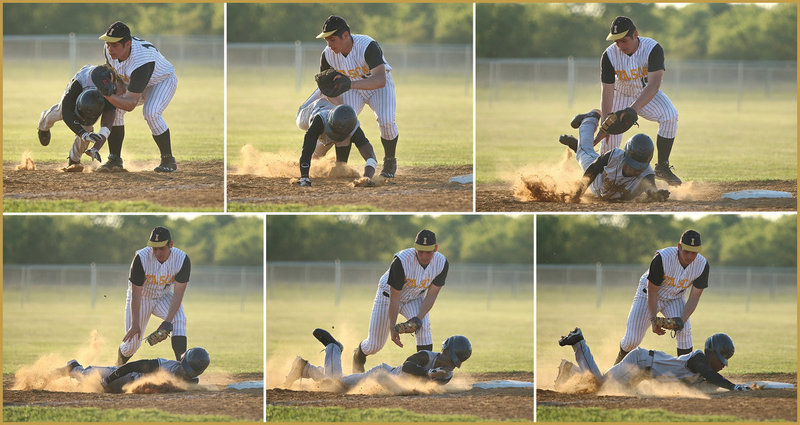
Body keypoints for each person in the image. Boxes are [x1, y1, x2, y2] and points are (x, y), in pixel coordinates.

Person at [598, 16, 682, 186]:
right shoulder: (609, 55)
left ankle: (662, 167)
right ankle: (600, 178)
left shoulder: (652, 49)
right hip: (620, 94)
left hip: (645, 93)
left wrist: (632, 110)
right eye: (616, 41)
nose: (620, 45)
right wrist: (605, 122)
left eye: (623, 40)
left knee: (670, 116)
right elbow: (607, 93)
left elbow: (653, 86)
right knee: (610, 144)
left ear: (635, 34)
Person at [352, 229, 449, 373]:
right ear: (415, 247)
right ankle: (358, 354)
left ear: (435, 248)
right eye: (420, 251)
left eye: (428, 252)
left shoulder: (441, 263)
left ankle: (424, 374)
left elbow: (431, 296)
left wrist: (418, 319)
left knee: (423, 326)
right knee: (374, 345)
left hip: (414, 297)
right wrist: (392, 329)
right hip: (388, 297)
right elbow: (395, 297)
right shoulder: (401, 261)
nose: (423, 256)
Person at [315, 15, 399, 179]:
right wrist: (334, 107)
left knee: (386, 120)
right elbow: (327, 87)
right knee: (340, 121)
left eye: (332, 39)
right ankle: (339, 165)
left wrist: (350, 84)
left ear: (345, 35)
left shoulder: (367, 45)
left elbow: (380, 80)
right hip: (352, 89)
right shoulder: (328, 55)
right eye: (327, 40)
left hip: (377, 87)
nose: (329, 45)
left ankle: (390, 160)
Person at [614, 230, 709, 364]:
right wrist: (653, 320)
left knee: (684, 329)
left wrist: (681, 320)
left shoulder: (702, 265)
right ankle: (616, 367)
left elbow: (694, 298)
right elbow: (652, 290)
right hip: (648, 294)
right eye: (686, 251)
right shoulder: (662, 258)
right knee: (631, 340)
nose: (689, 256)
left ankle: (686, 376)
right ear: (679, 247)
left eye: (694, 252)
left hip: (675, 298)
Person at [557, 328, 750, 392]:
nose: (721, 367)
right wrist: (733, 387)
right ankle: (579, 342)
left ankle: (569, 371)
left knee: (606, 387)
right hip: (640, 362)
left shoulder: (704, 371)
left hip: (642, 372)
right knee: (600, 386)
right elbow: (709, 375)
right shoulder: (698, 359)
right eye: (721, 360)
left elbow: (710, 384)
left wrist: (748, 387)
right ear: (711, 352)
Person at [98, 21, 178, 173]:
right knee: (115, 109)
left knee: (151, 112)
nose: (110, 48)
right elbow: (115, 71)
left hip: (161, 80)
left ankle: (168, 160)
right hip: (133, 80)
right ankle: (114, 159)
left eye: (114, 45)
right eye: (108, 44)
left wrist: (107, 95)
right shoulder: (108, 50)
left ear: (128, 44)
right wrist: (117, 85)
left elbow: (130, 104)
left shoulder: (142, 61)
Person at [285, 328, 470, 390]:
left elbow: (430, 385)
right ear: (445, 351)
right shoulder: (426, 356)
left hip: (385, 383)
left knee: (336, 383)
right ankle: (334, 348)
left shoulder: (447, 375)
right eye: (451, 359)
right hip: (380, 374)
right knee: (337, 385)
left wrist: (432, 377)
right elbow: (407, 366)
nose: (451, 364)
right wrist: (427, 373)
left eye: (454, 363)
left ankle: (304, 368)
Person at [117, 226, 191, 366]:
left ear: (171, 245)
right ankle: (117, 366)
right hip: (142, 297)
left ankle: (183, 369)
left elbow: (178, 293)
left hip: (163, 296)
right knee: (132, 345)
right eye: (154, 248)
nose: (157, 252)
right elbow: (136, 294)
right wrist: (135, 324)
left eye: (161, 248)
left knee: (179, 319)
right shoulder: (141, 258)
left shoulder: (182, 260)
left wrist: (167, 322)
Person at [559, 109, 668, 202]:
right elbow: (593, 168)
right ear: (626, 156)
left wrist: (657, 195)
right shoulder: (615, 156)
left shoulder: (647, 174)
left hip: (607, 194)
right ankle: (590, 118)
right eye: (633, 165)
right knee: (583, 152)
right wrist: (579, 192)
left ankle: (576, 145)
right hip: (596, 181)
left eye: (640, 166)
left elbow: (651, 188)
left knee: (581, 151)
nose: (637, 170)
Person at [37, 64, 120, 172]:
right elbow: (67, 112)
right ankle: (43, 124)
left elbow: (108, 119)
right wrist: (82, 134)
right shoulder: (79, 83)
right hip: (80, 86)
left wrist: (95, 147)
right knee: (60, 112)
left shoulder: (110, 89)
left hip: (95, 95)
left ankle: (74, 160)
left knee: (88, 129)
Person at [295, 90, 377, 187]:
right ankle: (320, 90)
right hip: (308, 113)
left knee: (340, 169)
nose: (335, 137)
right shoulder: (319, 121)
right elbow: (307, 150)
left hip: (331, 114)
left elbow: (371, 157)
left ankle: (340, 168)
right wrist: (304, 177)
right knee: (314, 158)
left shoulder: (353, 128)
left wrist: (366, 178)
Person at [57, 347, 209, 393]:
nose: (185, 373)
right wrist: (108, 379)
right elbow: (132, 366)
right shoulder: (162, 365)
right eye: (185, 369)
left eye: (190, 372)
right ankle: (73, 367)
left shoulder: (191, 381)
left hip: (126, 386)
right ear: (181, 361)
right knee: (89, 375)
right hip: (125, 376)